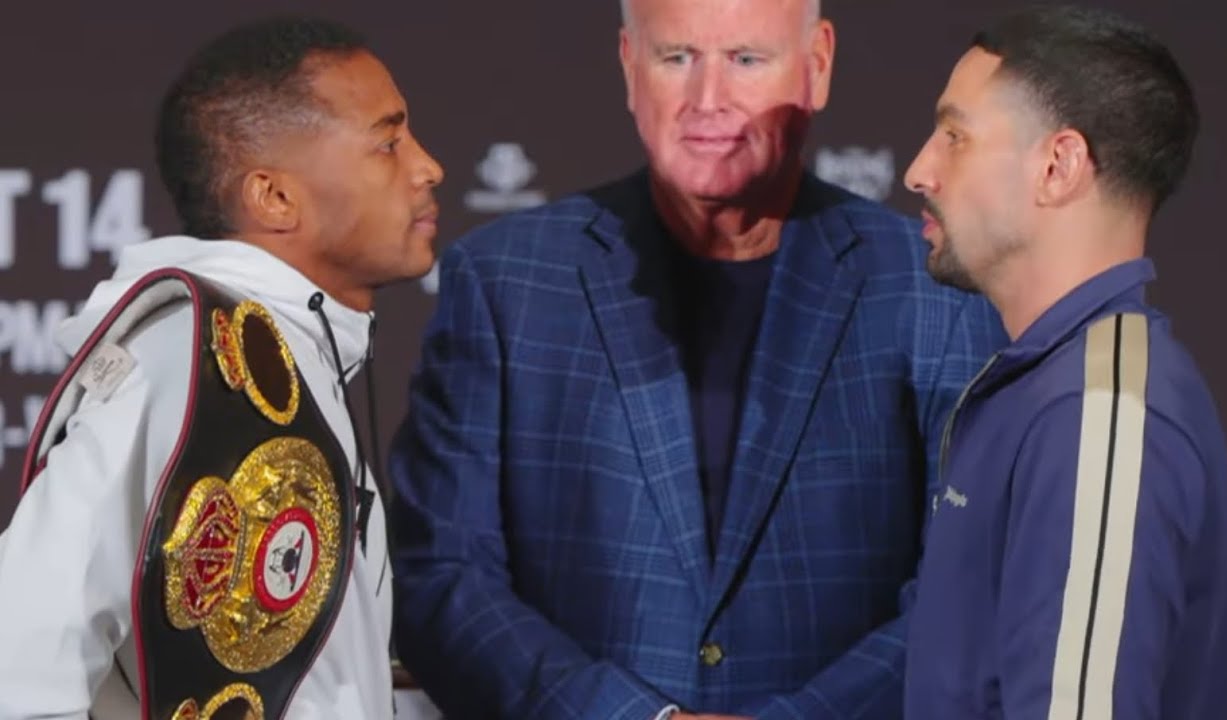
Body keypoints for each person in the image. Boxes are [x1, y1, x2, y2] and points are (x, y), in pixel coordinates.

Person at [388, 0, 1006, 717]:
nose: (706, 100)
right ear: (628, 65)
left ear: (818, 65)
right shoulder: (505, 281)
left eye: (746, 60)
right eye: (675, 58)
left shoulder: (933, 290)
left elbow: (966, 588)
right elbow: (442, 574)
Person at [0, 16, 444, 719]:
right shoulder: (187, 360)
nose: (427, 167)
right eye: (387, 144)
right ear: (273, 197)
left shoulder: (294, 351)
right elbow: (18, 665)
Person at [899, 5, 1227, 719]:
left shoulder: (1099, 411)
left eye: (955, 136)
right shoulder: (1051, 389)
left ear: (1057, 166)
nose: (918, 171)